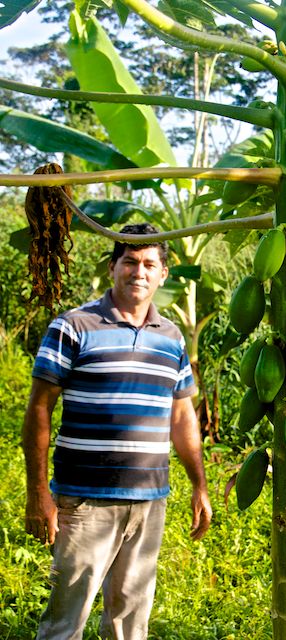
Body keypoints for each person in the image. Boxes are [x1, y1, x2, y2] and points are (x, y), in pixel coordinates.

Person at [22, 223, 212, 640]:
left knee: (130, 623)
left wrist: (199, 485)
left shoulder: (172, 339)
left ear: (163, 274)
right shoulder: (73, 326)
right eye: (130, 262)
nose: (139, 272)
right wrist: (37, 492)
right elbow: (39, 409)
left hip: (148, 501)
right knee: (64, 623)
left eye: (149, 264)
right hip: (85, 500)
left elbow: (182, 417)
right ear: (112, 267)